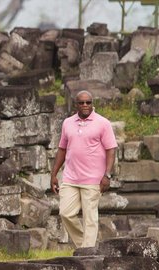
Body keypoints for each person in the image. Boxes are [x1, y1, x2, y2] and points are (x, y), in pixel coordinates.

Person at [50, 90, 117, 248]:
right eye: (82, 103)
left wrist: (107, 175)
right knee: (65, 213)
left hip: (93, 180)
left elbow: (111, 150)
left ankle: (87, 255)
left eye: (88, 102)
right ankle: (85, 247)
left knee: (90, 218)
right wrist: (54, 175)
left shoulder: (103, 123)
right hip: (70, 178)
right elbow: (62, 149)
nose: (85, 105)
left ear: (92, 104)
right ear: (76, 105)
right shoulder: (67, 123)